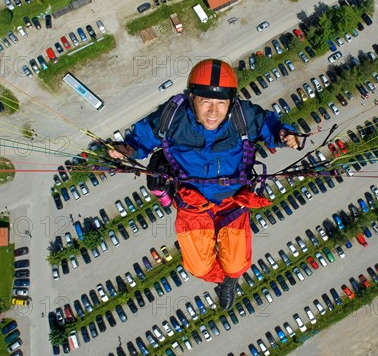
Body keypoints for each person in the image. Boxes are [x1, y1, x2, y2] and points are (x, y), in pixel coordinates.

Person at [108, 59, 298, 309]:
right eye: (205, 101)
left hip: (232, 201)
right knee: (197, 266)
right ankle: (223, 279)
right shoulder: (173, 118)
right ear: (191, 98)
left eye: (221, 103)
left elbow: (269, 125)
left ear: (230, 103)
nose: (213, 111)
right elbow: (143, 137)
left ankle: (230, 279)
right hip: (193, 202)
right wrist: (127, 149)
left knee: (237, 263)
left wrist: (284, 134)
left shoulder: (243, 116)